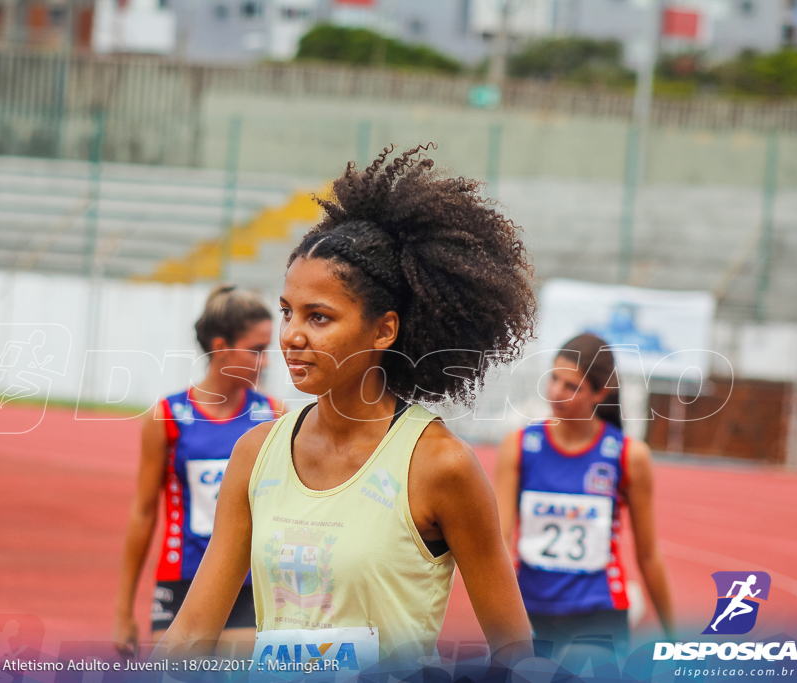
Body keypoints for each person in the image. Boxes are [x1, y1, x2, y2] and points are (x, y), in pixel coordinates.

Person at [157, 145, 538, 672]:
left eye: (319, 317)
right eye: (288, 312)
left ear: (383, 329)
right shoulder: (255, 454)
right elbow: (192, 633)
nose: (290, 335)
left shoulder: (439, 466)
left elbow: (516, 652)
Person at [113, 285, 282, 656]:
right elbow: (143, 512)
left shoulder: (274, 415)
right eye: (256, 351)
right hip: (181, 578)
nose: (265, 362)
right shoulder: (168, 416)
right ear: (221, 347)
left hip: (248, 583)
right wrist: (124, 610)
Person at [495, 333, 675, 660]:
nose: (556, 392)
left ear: (600, 393)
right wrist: (504, 615)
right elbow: (500, 542)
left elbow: (648, 554)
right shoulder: (519, 446)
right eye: (554, 379)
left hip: (598, 610)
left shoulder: (627, 455)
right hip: (529, 610)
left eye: (571, 386)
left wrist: (674, 636)